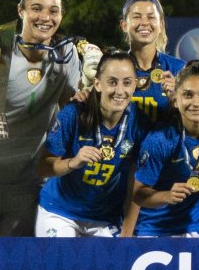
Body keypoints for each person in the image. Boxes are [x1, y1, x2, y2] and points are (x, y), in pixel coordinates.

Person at [0, 0, 93, 238]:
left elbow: (72, 110)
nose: (45, 17)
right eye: (36, 8)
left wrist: (89, 88)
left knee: (21, 268)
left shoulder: (66, 53)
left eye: (53, 10)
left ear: (62, 15)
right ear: (21, 10)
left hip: (29, 183)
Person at [35, 51, 148, 237]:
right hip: (60, 212)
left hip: (105, 217)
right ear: (97, 84)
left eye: (127, 83)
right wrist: (73, 162)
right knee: (61, 264)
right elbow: (43, 167)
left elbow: (135, 187)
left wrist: (126, 238)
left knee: (111, 265)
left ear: (135, 85)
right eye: (112, 82)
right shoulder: (73, 114)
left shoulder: (139, 124)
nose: (120, 91)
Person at [131, 61, 199, 237]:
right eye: (188, 95)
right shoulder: (160, 140)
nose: (196, 103)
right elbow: (138, 194)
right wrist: (167, 196)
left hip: (198, 227)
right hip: (155, 230)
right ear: (175, 100)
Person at [120, 0, 185, 124]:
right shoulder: (114, 68)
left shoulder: (179, 69)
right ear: (124, 25)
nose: (144, 22)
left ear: (161, 25)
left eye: (151, 17)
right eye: (137, 17)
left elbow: (196, 122)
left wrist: (180, 98)